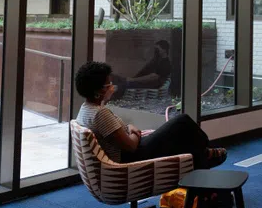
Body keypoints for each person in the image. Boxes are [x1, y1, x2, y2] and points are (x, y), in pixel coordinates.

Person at [75, 61, 226, 167]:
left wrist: (129, 128)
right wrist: (135, 132)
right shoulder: (100, 114)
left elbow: (115, 134)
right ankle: (205, 150)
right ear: (99, 90)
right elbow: (131, 146)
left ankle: (202, 156)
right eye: (109, 85)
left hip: (128, 152)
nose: (112, 88)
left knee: (182, 142)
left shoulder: (86, 109)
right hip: (132, 157)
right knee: (182, 122)